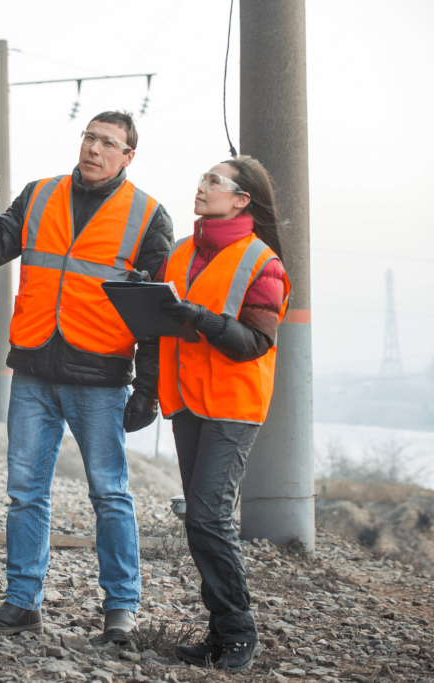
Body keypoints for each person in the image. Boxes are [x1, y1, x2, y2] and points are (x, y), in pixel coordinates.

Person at [0, 111, 173, 640]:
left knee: (111, 495)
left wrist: (148, 388)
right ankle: (21, 603)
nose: (94, 148)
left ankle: (121, 609)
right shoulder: (39, 195)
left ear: (127, 156)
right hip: (33, 371)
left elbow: (156, 316)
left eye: (108, 143)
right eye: (89, 137)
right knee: (26, 492)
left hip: (100, 378)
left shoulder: (148, 216)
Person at [156, 156, 290, 672]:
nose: (201, 184)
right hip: (188, 399)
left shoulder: (264, 263)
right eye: (202, 177)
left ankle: (238, 633)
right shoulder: (180, 254)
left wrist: (203, 319)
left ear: (241, 200)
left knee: (209, 517)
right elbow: (164, 325)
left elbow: (255, 342)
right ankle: (219, 635)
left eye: (214, 180)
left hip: (233, 405)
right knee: (201, 521)